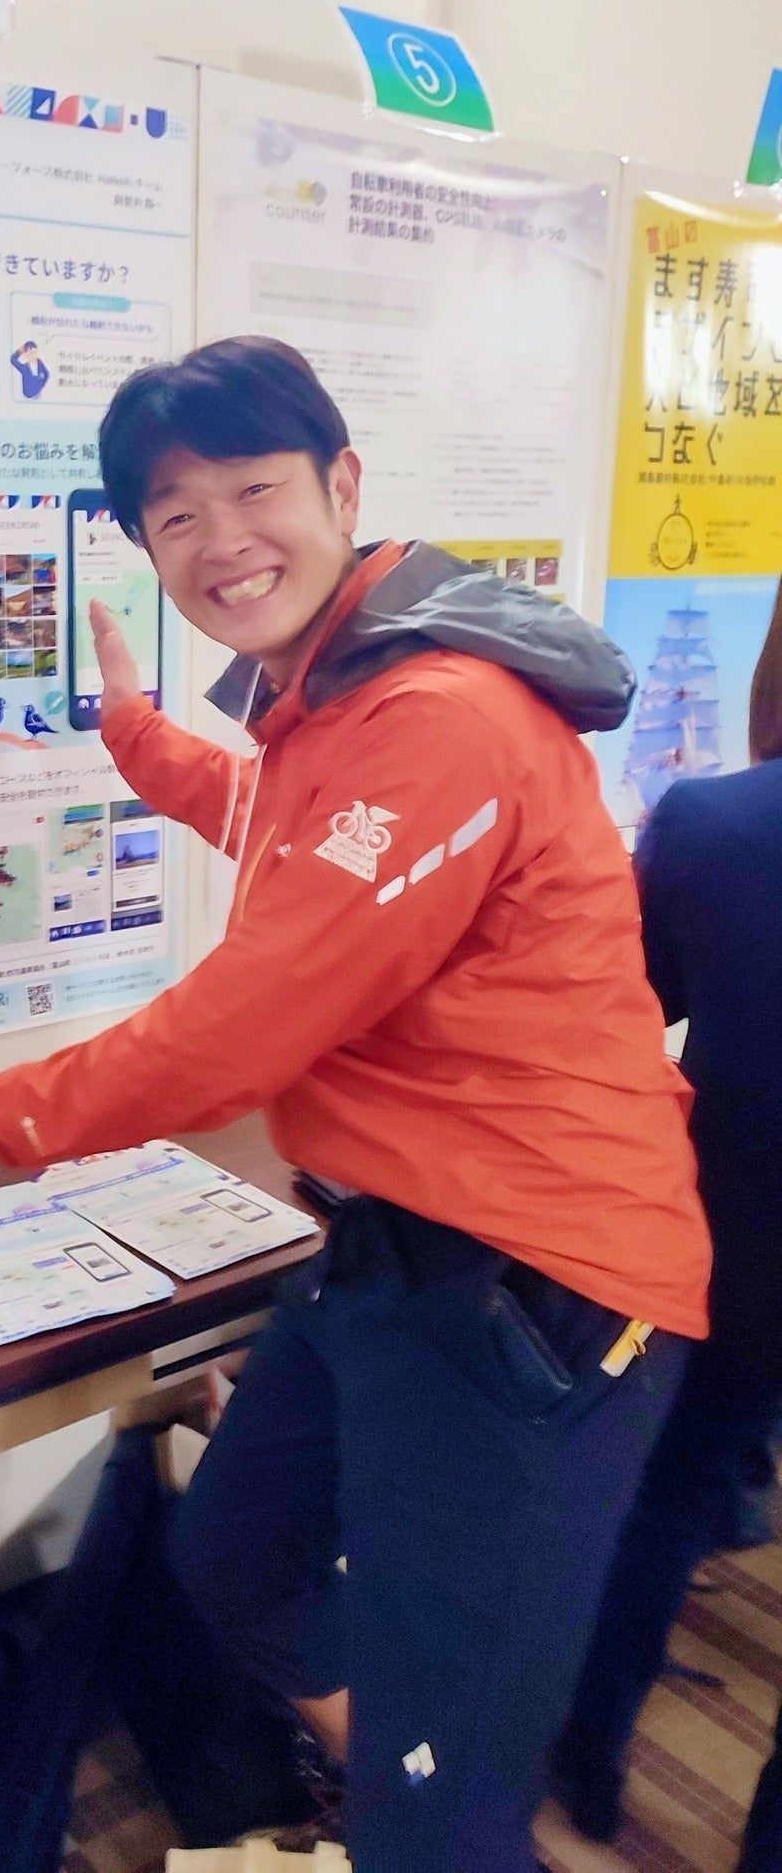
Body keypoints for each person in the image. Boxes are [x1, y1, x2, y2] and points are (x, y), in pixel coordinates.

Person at [0, 336, 710, 1873]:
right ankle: (410, 1768)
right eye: (174, 515)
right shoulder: (330, 703)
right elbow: (276, 821)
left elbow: (248, 1022)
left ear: (341, 485)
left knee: (442, 1801)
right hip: (396, 1249)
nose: (220, 540)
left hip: (542, 1283)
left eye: (254, 489)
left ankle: (430, 1800)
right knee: (239, 1562)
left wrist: (11, 1115)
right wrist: (135, 735)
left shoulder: (439, 714)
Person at [553, 578, 782, 1867]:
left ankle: (587, 1756)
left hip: (736, 1241)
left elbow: (631, 1005)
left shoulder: (711, 821)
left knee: (665, 1499)